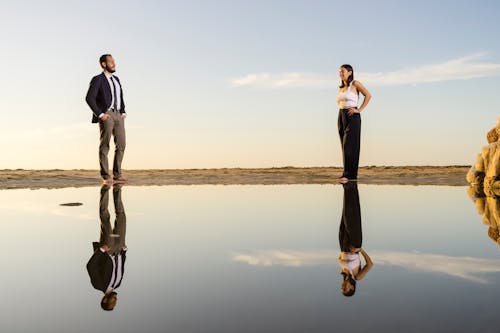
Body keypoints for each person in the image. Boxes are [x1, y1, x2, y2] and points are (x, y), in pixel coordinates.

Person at [85, 54, 128, 184]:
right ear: (103, 64)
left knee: (121, 144)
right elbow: (89, 98)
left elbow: (120, 96)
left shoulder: (117, 79)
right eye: (111, 61)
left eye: (114, 61)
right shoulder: (98, 79)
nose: (114, 63)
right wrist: (100, 114)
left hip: (118, 115)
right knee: (105, 145)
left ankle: (117, 174)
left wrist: (123, 111)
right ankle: (105, 175)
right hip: (106, 114)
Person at [87, 184, 127, 311]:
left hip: (108, 249)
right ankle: (117, 188)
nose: (116, 301)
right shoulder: (118, 284)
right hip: (119, 248)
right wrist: (124, 252)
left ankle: (105, 188)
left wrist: (101, 250)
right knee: (121, 217)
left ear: (105, 300)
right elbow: (120, 266)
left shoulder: (98, 285)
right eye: (115, 303)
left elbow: (90, 267)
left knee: (106, 218)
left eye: (112, 302)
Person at [337, 64, 372, 183]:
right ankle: (349, 173)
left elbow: (368, 95)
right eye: (339, 72)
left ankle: (348, 174)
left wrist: (359, 109)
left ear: (350, 72)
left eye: (343, 71)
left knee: (350, 146)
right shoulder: (341, 87)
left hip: (352, 115)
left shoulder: (355, 84)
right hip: (341, 116)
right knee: (344, 145)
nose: (341, 74)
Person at [337, 182, 372, 297]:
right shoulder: (357, 276)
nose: (343, 287)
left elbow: (341, 258)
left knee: (344, 214)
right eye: (345, 289)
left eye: (342, 288)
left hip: (343, 245)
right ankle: (350, 186)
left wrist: (342, 254)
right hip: (354, 243)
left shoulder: (342, 272)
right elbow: (370, 264)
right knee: (351, 214)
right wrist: (360, 250)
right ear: (352, 287)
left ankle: (347, 186)